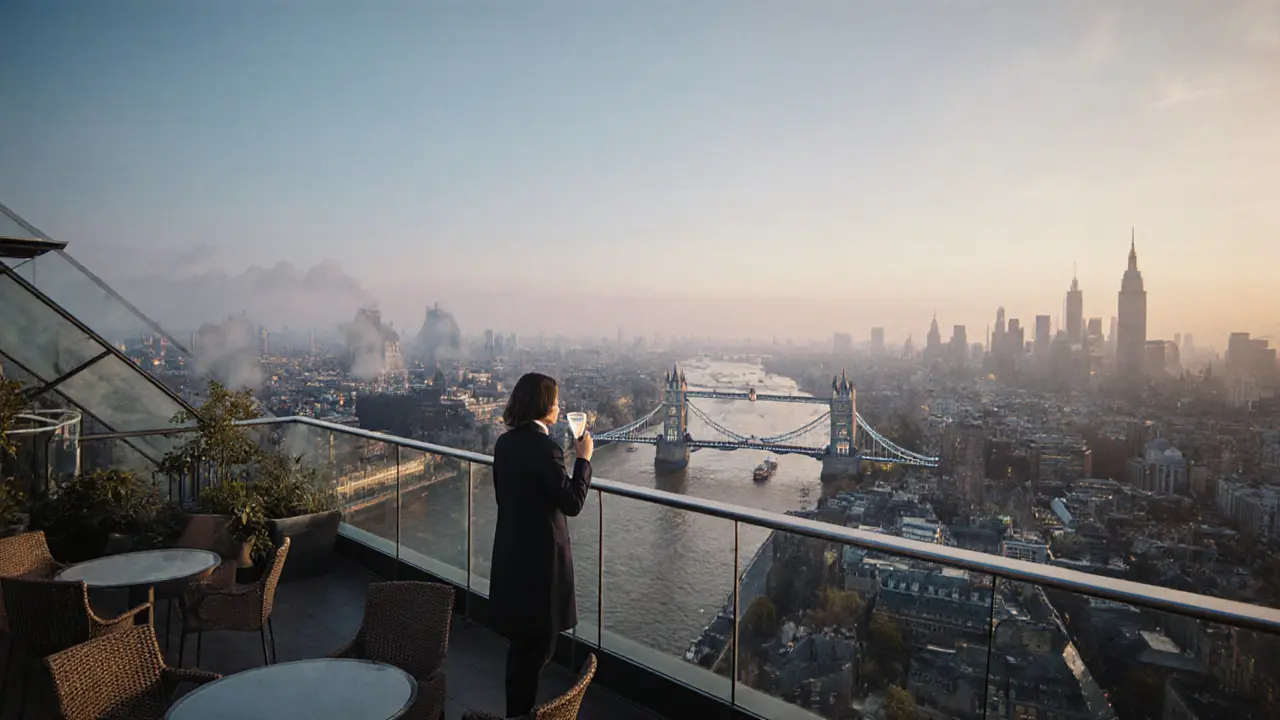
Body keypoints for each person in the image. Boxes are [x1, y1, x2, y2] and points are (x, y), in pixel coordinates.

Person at [488, 372, 593, 717]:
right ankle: (521, 714)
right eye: (556, 402)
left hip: (512, 557)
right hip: (542, 566)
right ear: (544, 405)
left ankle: (515, 710)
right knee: (538, 648)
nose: (559, 407)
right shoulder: (547, 449)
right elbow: (572, 503)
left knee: (521, 647)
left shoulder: (504, 444)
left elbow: (507, 496)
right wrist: (584, 459)